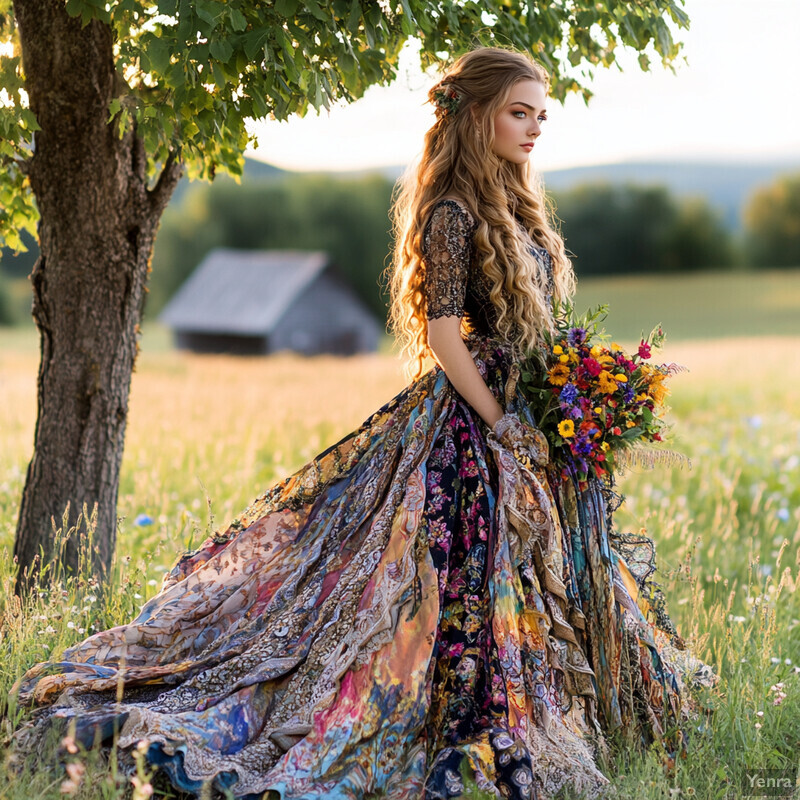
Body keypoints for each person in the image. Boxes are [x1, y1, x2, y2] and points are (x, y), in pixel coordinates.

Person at [12, 46, 715, 800]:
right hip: (472, 424)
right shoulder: (452, 211)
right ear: (477, 116)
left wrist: (572, 392)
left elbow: (536, 329)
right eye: (520, 112)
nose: (534, 127)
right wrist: (504, 420)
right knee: (439, 582)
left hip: (523, 417)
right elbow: (445, 336)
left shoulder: (522, 205)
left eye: (541, 115)